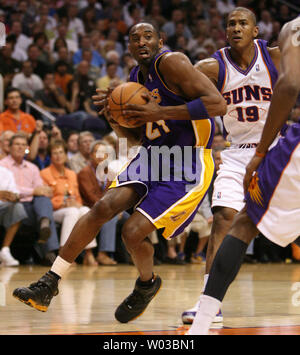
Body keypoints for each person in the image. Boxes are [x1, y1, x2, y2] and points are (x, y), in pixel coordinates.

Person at [12, 22, 226, 321]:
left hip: (186, 162)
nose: (141, 41)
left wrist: (160, 112)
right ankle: (49, 283)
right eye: (134, 37)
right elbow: (136, 139)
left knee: (132, 232)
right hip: (152, 156)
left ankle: (146, 284)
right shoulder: (136, 77)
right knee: (103, 206)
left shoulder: (173, 62)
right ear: (128, 46)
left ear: (159, 40)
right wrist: (115, 116)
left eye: (148, 36)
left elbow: (218, 104)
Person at [187, 15, 300, 335]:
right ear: (225, 31)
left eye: (242, 23)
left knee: (246, 224)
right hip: (237, 153)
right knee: (225, 217)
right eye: (230, 24)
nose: (236, 28)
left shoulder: (278, 54)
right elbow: (190, 101)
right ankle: (208, 303)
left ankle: (204, 317)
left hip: (277, 147)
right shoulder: (210, 67)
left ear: (255, 31)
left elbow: (290, 86)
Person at [0, 133, 59, 265]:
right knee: (42, 208)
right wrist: (33, 191)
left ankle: (44, 224)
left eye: (23, 145)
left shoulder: (32, 167)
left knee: (44, 200)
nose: (20, 148)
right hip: (11, 206)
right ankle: (49, 252)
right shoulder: (3, 166)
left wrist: (44, 190)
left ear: (27, 148)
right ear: (9, 147)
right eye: (17, 144)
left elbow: (40, 188)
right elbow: (10, 191)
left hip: (33, 207)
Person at [40, 139, 97, 266]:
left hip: (72, 208)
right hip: (55, 211)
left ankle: (89, 253)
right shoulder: (44, 173)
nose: (58, 155)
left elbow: (77, 197)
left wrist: (77, 204)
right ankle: (63, 254)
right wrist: (62, 204)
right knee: (72, 212)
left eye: (61, 152)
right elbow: (44, 200)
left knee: (85, 211)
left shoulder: (71, 174)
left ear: (66, 155)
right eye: (55, 153)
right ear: (50, 156)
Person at [77, 139, 118, 265]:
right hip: (90, 207)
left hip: (108, 206)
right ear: (90, 155)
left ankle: (134, 253)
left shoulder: (110, 172)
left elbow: (115, 193)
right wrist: (110, 208)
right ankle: (103, 254)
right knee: (110, 217)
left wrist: (117, 208)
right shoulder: (84, 172)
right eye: (97, 152)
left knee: (132, 216)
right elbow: (90, 197)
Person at [0, 165, 28, 266]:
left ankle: (5, 250)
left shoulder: (6, 172)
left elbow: (15, 193)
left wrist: (13, 196)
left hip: (3, 207)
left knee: (18, 207)